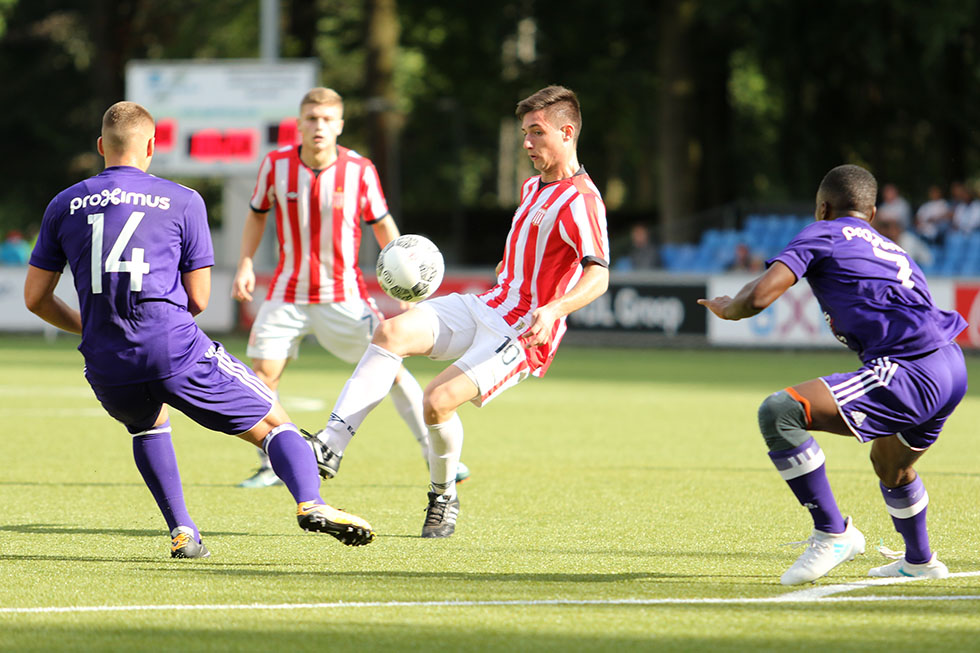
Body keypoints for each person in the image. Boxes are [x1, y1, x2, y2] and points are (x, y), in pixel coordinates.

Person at [25, 101, 375, 558]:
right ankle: (311, 502)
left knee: (147, 427)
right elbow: (200, 299)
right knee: (273, 420)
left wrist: (89, 328)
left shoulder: (64, 203)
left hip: (107, 360)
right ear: (151, 146)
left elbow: (35, 298)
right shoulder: (183, 199)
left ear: (100, 147)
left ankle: (183, 531)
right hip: (171, 345)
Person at [306, 85, 610, 538]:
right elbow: (535, 251)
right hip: (487, 304)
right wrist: (512, 265)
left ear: (567, 133)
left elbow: (598, 275)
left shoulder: (582, 199)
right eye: (525, 132)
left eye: (536, 133)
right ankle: (331, 444)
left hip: (522, 333)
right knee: (389, 334)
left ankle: (443, 495)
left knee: (436, 401)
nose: (527, 143)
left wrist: (554, 309)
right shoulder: (533, 186)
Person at [699, 164, 967, 585]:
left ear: (822, 208)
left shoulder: (822, 232)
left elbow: (763, 295)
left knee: (780, 412)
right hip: (951, 367)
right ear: (872, 214)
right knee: (891, 465)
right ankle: (919, 561)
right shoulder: (893, 249)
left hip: (910, 371)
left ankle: (833, 533)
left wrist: (730, 306)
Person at [231, 87, 469, 488]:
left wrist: (404, 287)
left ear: (339, 125)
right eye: (311, 118)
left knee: (390, 368)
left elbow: (382, 225)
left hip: (343, 295)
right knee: (262, 376)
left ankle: (434, 454)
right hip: (287, 294)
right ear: (300, 124)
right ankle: (270, 464)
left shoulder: (359, 170)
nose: (318, 126)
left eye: (326, 119)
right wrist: (246, 263)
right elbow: (257, 215)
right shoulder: (275, 165)